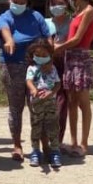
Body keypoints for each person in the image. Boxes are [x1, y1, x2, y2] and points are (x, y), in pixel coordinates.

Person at [0, 0, 51, 161]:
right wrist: (10, 40)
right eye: (14, 1)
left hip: (36, 68)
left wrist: (50, 57)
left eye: (21, 1)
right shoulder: (4, 17)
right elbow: (4, 29)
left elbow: (47, 37)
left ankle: (41, 146)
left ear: (27, 2)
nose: (17, 4)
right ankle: (17, 145)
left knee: (37, 106)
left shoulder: (36, 17)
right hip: (12, 67)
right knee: (16, 107)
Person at [54, 0, 93, 157]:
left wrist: (57, 48)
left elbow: (78, 39)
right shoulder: (78, 12)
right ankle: (73, 142)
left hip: (80, 58)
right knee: (72, 101)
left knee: (83, 102)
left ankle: (84, 143)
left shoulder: (89, 12)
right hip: (70, 58)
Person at [25, 40, 62, 169]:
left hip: (51, 102)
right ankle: (35, 151)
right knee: (36, 127)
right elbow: (28, 81)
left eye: (44, 54)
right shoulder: (32, 68)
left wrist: (51, 93)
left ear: (50, 55)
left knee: (52, 126)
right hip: (36, 102)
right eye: (38, 55)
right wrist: (33, 89)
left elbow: (58, 84)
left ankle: (55, 151)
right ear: (33, 55)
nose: (40, 57)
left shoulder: (53, 69)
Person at [45, 0, 71, 153]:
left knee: (62, 102)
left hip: (67, 63)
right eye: (53, 4)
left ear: (67, 5)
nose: (56, 7)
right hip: (49, 63)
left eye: (60, 3)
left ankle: (58, 140)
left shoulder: (73, 22)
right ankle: (45, 140)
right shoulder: (45, 22)